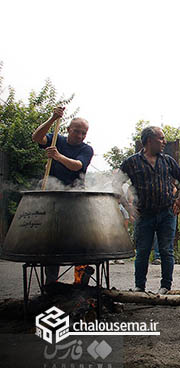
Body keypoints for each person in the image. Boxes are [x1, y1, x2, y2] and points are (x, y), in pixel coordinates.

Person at [119, 126, 180, 294]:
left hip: (167, 213)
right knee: (142, 251)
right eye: (161, 138)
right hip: (144, 214)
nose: (164, 142)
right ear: (149, 141)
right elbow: (116, 184)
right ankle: (139, 287)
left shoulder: (167, 161)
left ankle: (166, 287)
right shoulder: (132, 162)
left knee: (166, 250)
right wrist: (128, 207)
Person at [32, 106, 94, 285]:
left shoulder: (86, 149)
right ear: (68, 129)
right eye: (77, 132)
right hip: (53, 198)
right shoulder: (56, 139)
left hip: (75, 199)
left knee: (79, 240)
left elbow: (77, 165)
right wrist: (52, 119)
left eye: (84, 133)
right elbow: (36, 137)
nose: (80, 136)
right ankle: (51, 283)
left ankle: (81, 281)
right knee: (53, 242)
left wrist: (58, 157)